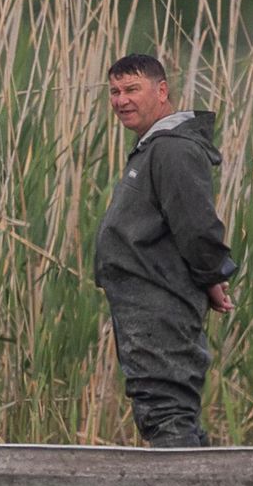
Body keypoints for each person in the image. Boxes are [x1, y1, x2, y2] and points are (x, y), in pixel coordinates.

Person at [94, 53, 237, 448]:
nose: (121, 100)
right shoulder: (154, 147)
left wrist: (213, 274)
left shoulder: (172, 149)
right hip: (146, 300)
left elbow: (196, 224)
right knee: (162, 408)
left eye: (132, 89)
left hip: (159, 302)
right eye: (115, 92)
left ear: (161, 91)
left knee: (167, 408)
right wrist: (208, 278)